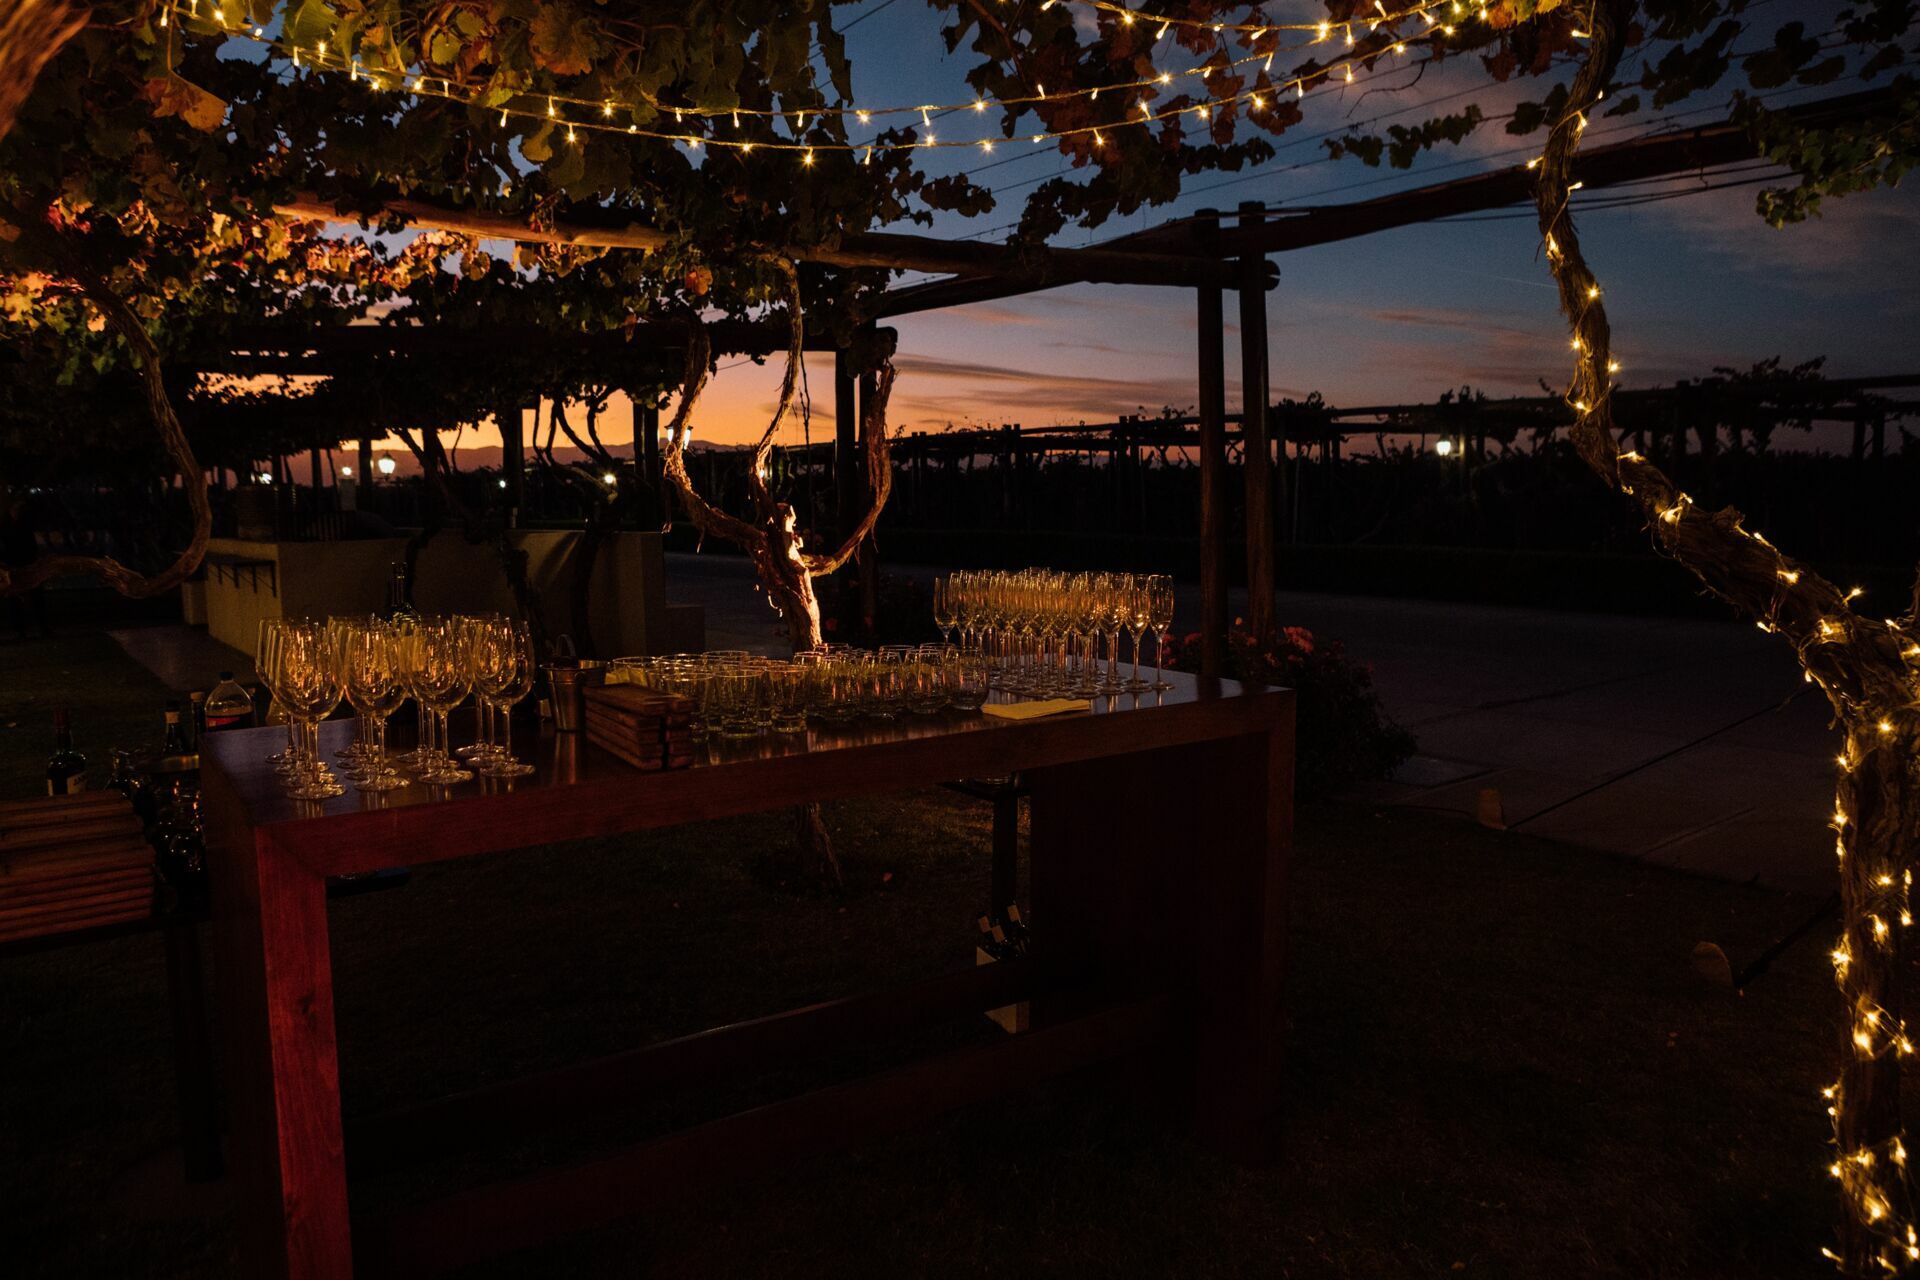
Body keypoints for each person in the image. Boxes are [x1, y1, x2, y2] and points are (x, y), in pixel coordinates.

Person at [2, 490, 50, 640]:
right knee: (17, 599)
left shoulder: (23, 523)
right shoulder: (6, 524)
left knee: (35, 597)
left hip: (27, 563)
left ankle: (41, 627)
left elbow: (31, 543)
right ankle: (21, 630)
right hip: (14, 565)